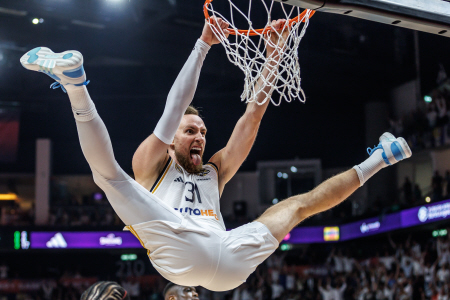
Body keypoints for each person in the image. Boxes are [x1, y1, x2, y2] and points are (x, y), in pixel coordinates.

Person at [20, 17, 412, 292]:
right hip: (179, 245)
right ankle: (76, 85)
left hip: (227, 256)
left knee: (300, 205)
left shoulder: (214, 172)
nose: (201, 137)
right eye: (191, 131)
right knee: (109, 175)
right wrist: (203, 44)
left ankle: (381, 157)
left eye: (204, 132)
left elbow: (253, 114)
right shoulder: (151, 163)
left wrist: (274, 50)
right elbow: (174, 108)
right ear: (172, 140)